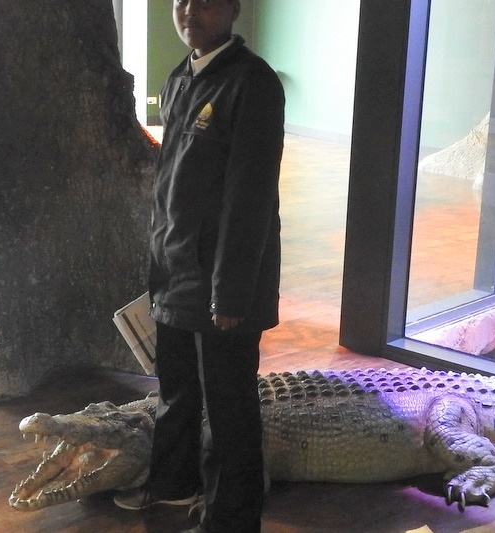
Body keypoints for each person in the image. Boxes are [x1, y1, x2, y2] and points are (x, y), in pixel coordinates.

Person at [113, 0, 284, 532]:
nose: (188, 12)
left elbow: (248, 199)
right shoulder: (181, 77)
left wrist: (230, 294)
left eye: (204, 2)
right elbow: (172, 182)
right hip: (176, 273)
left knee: (229, 411)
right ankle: (171, 485)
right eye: (181, 1)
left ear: (233, 9)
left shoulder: (252, 85)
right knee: (176, 392)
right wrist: (159, 265)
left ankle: (228, 519)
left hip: (221, 283)